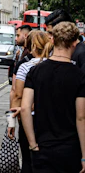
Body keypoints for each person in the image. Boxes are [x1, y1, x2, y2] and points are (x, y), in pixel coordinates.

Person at [21, 22, 85, 173]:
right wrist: (84, 156)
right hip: (70, 150)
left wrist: (32, 145)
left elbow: (24, 108)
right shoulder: (79, 76)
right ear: (74, 43)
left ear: (52, 40)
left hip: (43, 148)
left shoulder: (35, 71)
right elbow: (81, 117)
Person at [8, 30, 52, 173]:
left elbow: (17, 96)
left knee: (27, 159)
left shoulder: (25, 67)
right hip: (50, 119)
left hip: (28, 119)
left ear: (32, 46)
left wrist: (11, 122)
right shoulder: (54, 65)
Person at [10, 25, 32, 106]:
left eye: (18, 35)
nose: (16, 38)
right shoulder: (22, 51)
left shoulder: (27, 55)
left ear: (26, 36)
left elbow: (15, 89)